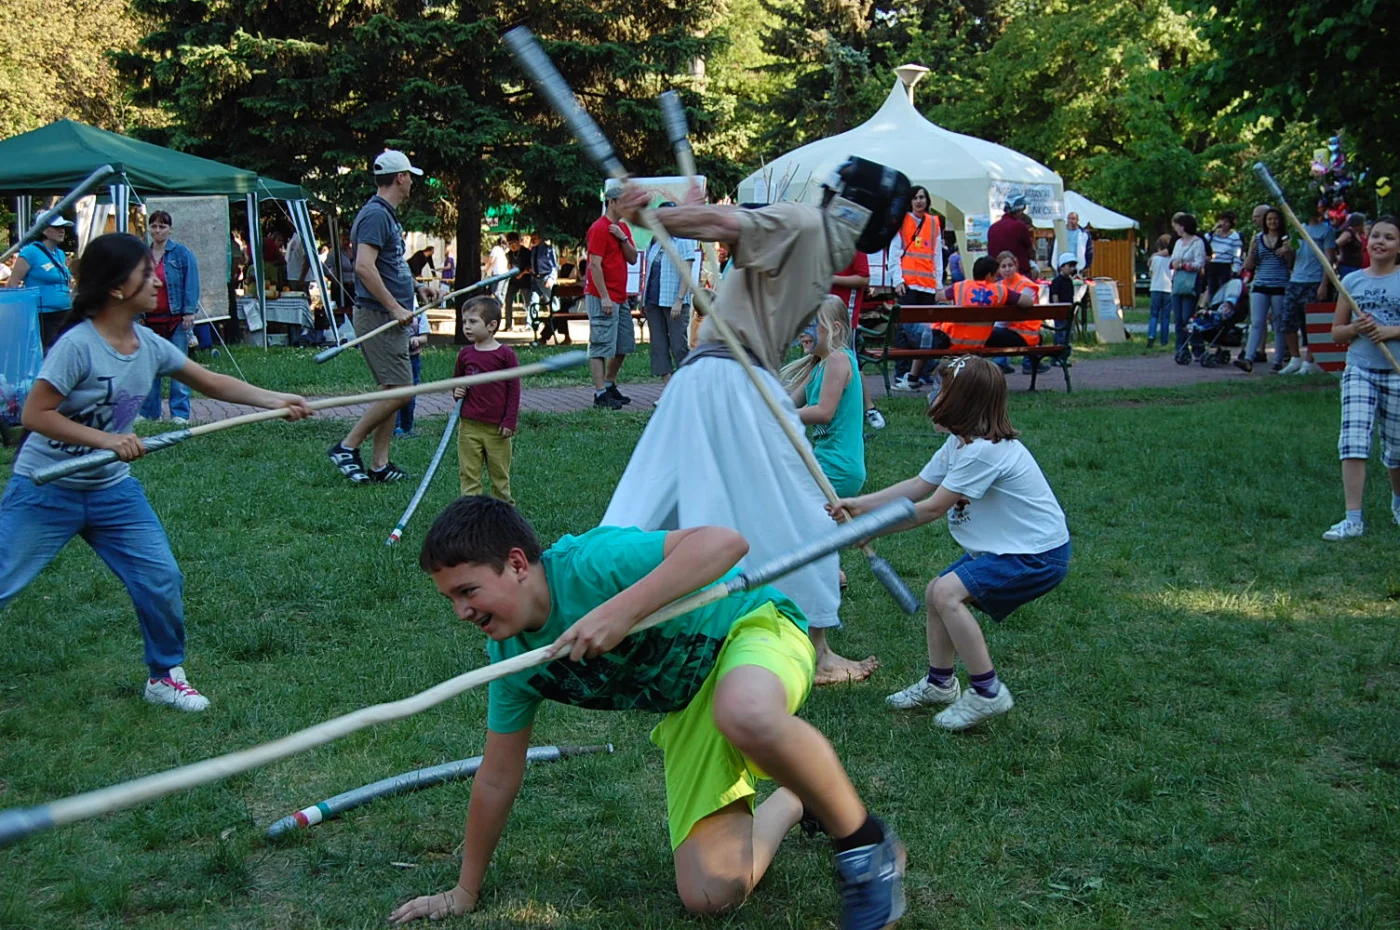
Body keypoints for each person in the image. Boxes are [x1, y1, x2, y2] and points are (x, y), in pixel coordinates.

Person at [386, 497, 906, 927]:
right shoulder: (514, 662)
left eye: (468, 591)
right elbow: (498, 776)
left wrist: (619, 611)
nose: (461, 611)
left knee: (743, 710)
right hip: (694, 706)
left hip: (755, 629)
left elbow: (725, 543)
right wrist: (465, 890)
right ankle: (798, 796)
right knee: (710, 895)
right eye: (450, 599)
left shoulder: (591, 563)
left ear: (518, 565)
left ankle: (865, 847)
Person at [602, 156, 911, 686]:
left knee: (657, 502)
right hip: (734, 379)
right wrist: (665, 214)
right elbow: (725, 224)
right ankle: (817, 651)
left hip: (714, 378)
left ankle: (604, 604)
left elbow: (724, 224)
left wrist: (656, 214)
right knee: (805, 516)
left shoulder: (809, 231)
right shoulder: (816, 237)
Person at [0, 233, 311, 711]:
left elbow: (211, 382)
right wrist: (107, 440)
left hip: (111, 490)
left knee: (161, 578)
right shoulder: (78, 346)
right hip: (47, 487)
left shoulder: (147, 344)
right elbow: (35, 415)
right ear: (116, 287)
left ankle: (164, 676)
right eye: (146, 273)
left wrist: (275, 400)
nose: (158, 280)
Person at [830, 355, 1070, 731]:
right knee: (936, 592)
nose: (932, 395)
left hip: (1036, 555)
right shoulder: (960, 443)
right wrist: (861, 505)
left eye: (941, 390)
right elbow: (918, 485)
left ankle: (987, 692)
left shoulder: (984, 452)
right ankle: (940, 684)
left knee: (947, 593)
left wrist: (873, 528)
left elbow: (931, 508)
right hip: (1010, 549)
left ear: (964, 403)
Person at [326, 149, 421, 484]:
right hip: (379, 315)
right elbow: (364, 267)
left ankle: (380, 465)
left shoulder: (385, 215)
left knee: (390, 389)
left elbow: (390, 264)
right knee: (401, 391)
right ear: (400, 178)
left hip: (388, 316)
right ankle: (347, 446)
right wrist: (395, 307)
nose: (412, 183)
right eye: (410, 176)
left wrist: (417, 288)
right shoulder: (376, 215)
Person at [1321, 215, 1400, 540]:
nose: (1380, 241)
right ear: (1367, 240)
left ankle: (1398, 503)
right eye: (1376, 235)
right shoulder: (1351, 281)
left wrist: (1389, 331)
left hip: (1396, 373)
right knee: (1353, 440)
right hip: (1360, 370)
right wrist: (1354, 327)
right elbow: (1336, 332)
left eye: (1389, 237)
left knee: (1397, 450)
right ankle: (1352, 519)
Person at [784, 296, 866, 499]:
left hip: (838, 466)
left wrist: (780, 415)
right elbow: (787, 403)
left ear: (835, 328)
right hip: (827, 460)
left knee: (781, 498)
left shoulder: (838, 359)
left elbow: (824, 412)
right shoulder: (820, 365)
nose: (802, 332)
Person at [452, 297, 519, 502]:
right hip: (469, 427)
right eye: (464, 322)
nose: (466, 326)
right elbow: (457, 381)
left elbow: (514, 391)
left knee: (499, 477)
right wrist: (457, 391)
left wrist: (509, 421)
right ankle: (471, 511)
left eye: (473, 321)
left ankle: (504, 511)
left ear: (491, 326)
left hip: (497, 428)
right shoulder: (465, 354)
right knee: (469, 474)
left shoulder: (505, 355)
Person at [138, 210, 201, 425]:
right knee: (150, 366)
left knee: (178, 366)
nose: (158, 231)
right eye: (154, 226)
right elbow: (136, 285)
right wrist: (138, 314)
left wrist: (189, 311)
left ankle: (180, 414)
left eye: (162, 226)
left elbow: (191, 282)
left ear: (170, 229)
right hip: (149, 319)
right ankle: (150, 413)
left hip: (176, 319)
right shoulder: (142, 255)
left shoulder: (182, 254)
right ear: (149, 229)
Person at [585, 181, 639, 409]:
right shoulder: (598, 228)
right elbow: (594, 265)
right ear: (612, 202)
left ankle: (609, 384)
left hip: (620, 296)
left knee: (624, 344)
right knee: (600, 343)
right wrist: (605, 297)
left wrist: (622, 238)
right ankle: (600, 394)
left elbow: (633, 258)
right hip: (602, 296)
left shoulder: (622, 228)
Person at [888, 186, 943, 386]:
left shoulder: (934, 223)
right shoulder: (903, 222)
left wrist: (938, 285)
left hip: (927, 286)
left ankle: (923, 371)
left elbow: (937, 256)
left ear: (927, 201)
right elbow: (894, 253)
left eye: (922, 197)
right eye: (915, 198)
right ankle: (902, 371)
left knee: (926, 331)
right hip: (909, 285)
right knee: (904, 330)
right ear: (910, 201)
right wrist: (898, 280)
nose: (919, 201)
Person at [1277, 199, 1336, 375]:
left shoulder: (1326, 231)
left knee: (1312, 324)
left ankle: (1309, 362)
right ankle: (1295, 358)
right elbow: (1293, 258)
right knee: (1287, 321)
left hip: (1315, 281)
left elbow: (1329, 259)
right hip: (1296, 280)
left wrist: (1324, 284)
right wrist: (1287, 252)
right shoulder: (1297, 229)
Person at [640, 210, 696, 384]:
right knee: (658, 345)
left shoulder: (682, 240)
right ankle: (668, 387)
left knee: (679, 345)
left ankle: (687, 384)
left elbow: (686, 271)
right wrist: (643, 299)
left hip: (673, 301)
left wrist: (679, 299)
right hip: (653, 300)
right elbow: (648, 272)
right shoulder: (655, 241)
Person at [829, 253, 883, 429]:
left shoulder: (856, 247)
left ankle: (869, 408)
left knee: (850, 360)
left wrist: (832, 278)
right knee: (822, 359)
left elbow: (863, 278)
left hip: (845, 314)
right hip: (823, 311)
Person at [8, 211, 74, 352]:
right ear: (44, 230)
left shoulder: (60, 254)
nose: (62, 230)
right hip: (43, 315)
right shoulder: (30, 252)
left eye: (63, 227)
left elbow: (65, 280)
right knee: (47, 352)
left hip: (64, 311)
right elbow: (13, 284)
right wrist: (17, 312)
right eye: (57, 227)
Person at [1236, 207, 1292, 372]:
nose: (1272, 222)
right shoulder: (1258, 239)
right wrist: (1252, 252)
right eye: (1269, 219)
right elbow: (1248, 266)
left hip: (1280, 285)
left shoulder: (1286, 239)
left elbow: (1290, 264)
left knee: (1278, 324)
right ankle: (1248, 358)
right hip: (1260, 284)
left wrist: (1287, 252)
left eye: (1275, 219)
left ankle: (1278, 360)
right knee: (1257, 323)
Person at [991, 250, 1045, 375]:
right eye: (1003, 266)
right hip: (1011, 329)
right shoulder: (998, 285)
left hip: (1026, 332)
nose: (1007, 269)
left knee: (992, 333)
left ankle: (999, 363)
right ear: (998, 269)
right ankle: (1002, 363)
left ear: (1016, 266)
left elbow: (1011, 316)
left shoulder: (1025, 285)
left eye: (1010, 265)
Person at [1168, 212, 1206, 354]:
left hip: (1191, 281)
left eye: (1178, 226)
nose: (1176, 229)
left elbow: (1199, 263)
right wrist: (1174, 264)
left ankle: (1197, 347)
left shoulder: (1198, 242)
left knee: (1188, 317)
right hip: (1178, 281)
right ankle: (1181, 348)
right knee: (1178, 319)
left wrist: (1184, 265)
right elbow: (1172, 259)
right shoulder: (1178, 242)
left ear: (1183, 226)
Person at [395, 310, 431, 437]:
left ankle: (407, 426)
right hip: (395, 359)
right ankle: (395, 426)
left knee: (410, 394)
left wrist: (417, 339)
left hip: (413, 359)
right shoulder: (392, 312)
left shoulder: (420, 314)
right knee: (395, 392)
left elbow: (424, 337)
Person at [987, 195, 1033, 275]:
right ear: (1019, 211)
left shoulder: (992, 227)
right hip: (1019, 273)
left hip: (997, 273)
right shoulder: (1019, 226)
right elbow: (1030, 249)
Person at [1203, 211, 1243, 300]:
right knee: (1211, 291)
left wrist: (1235, 269)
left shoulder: (1235, 237)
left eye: (1227, 222)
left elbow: (1237, 254)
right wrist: (1213, 230)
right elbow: (1204, 241)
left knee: (1222, 290)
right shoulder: (1214, 234)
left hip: (1225, 266)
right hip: (1212, 265)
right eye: (1222, 220)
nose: (1223, 224)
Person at [1147, 235, 1174, 349]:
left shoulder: (1155, 259)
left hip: (1155, 288)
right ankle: (1164, 340)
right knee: (1165, 316)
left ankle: (1151, 335)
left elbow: (1151, 273)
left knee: (1154, 314)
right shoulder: (1172, 259)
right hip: (1168, 288)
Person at [504, 233, 532, 331]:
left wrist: (522, 273)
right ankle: (508, 325)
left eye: (513, 243)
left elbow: (530, 267)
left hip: (525, 280)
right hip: (514, 280)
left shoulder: (526, 252)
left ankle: (529, 324)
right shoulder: (509, 254)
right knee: (508, 300)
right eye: (510, 244)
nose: (512, 246)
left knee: (528, 302)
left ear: (518, 241)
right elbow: (509, 266)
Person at [1336, 213, 1368, 278]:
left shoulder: (1356, 233)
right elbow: (1336, 244)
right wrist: (1340, 255)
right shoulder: (1348, 234)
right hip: (1348, 267)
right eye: (1363, 223)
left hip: (1356, 267)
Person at [485, 236, 510, 305]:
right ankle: (500, 307)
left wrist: (486, 269)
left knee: (496, 292)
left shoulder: (495, 249)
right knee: (502, 293)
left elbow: (491, 261)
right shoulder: (505, 250)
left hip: (499, 273)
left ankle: (502, 303)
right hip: (507, 273)